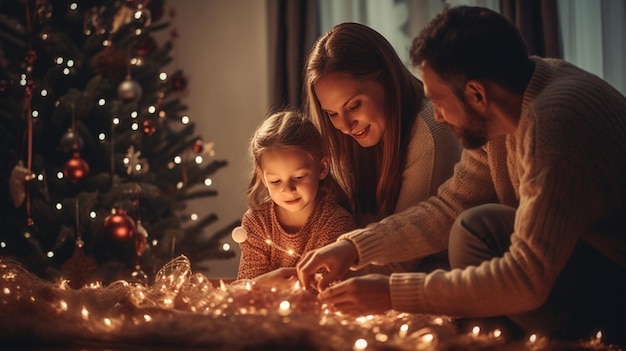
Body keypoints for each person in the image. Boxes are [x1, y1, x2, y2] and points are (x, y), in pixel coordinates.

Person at [297, 6, 626, 345]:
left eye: (438, 101)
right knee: (474, 224)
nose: (437, 117)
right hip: (590, 268)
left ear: (477, 94)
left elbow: (526, 278)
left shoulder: (553, 124)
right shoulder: (503, 114)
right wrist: (353, 247)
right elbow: (449, 207)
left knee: (478, 231)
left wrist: (394, 293)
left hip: (617, 289)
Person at [304, 22, 461, 273]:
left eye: (354, 106)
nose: (344, 125)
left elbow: (402, 260)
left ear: (387, 80)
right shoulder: (352, 139)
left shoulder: (430, 132)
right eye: (332, 114)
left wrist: (309, 282)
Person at [236, 110, 356, 282]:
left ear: (322, 168)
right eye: (276, 181)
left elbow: (330, 288)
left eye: (299, 177)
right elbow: (246, 288)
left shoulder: (335, 222)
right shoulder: (257, 222)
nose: (288, 189)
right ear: (263, 178)